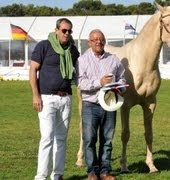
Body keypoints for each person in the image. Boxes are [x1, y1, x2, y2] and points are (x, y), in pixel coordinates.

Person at [29, 18, 80, 180]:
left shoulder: (72, 50)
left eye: (69, 31)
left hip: (66, 98)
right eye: (64, 30)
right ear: (56, 30)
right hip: (46, 98)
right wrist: (35, 95)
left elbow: (80, 71)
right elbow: (32, 70)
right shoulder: (44, 45)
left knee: (61, 139)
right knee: (47, 138)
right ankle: (41, 176)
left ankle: (57, 175)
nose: (67, 33)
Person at [76, 29, 126, 180]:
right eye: (95, 39)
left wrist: (121, 87)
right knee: (90, 139)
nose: (99, 41)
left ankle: (105, 172)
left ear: (105, 41)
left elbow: (122, 78)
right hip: (90, 105)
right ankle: (92, 172)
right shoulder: (82, 60)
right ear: (89, 42)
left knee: (107, 140)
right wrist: (100, 82)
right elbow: (80, 83)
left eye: (101, 39)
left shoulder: (114, 59)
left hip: (110, 104)